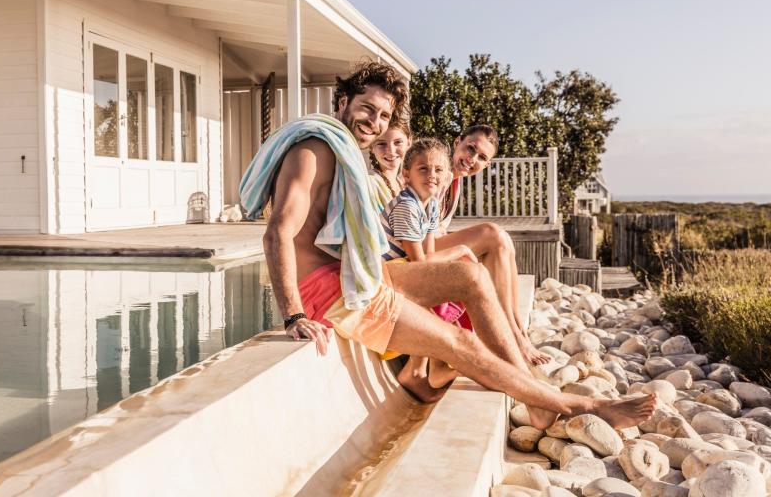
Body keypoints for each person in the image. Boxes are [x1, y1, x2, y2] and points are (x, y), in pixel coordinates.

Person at [241, 61, 654, 428]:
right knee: (461, 342)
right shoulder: (315, 148)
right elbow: (278, 229)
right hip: (328, 293)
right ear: (343, 101)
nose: (375, 122)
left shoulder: (341, 150)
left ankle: (538, 400)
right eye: (367, 108)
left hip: (348, 276)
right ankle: (580, 407)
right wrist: (294, 315)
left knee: (469, 275)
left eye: (384, 115)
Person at [434, 126, 552, 365]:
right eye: (470, 148)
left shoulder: (454, 182)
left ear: (486, 166)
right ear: (457, 142)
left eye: (481, 158)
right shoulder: (440, 172)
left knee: (504, 240)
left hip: (433, 244)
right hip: (417, 249)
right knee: (492, 234)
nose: (472, 159)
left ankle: (517, 327)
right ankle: (512, 334)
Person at [380, 137, 474, 389]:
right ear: (406, 175)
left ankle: (426, 367)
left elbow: (429, 257)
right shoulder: (406, 206)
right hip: (387, 277)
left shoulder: (431, 204)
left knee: (450, 278)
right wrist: (461, 249)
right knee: (439, 284)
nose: (431, 175)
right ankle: (424, 368)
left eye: (439, 169)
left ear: (446, 177)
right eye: (423, 168)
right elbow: (420, 265)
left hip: (406, 270)